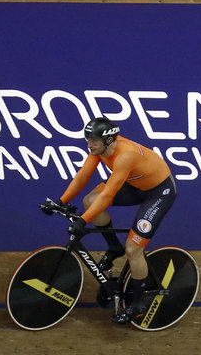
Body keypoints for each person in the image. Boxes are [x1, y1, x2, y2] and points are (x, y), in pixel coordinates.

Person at [43, 117, 176, 324]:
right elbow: (83, 176)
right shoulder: (99, 150)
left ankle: (139, 303)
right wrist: (61, 201)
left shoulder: (125, 155)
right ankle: (114, 248)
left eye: (94, 140)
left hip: (158, 193)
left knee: (133, 248)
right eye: (88, 139)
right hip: (135, 185)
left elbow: (108, 196)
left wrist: (83, 220)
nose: (89, 144)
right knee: (90, 200)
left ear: (109, 140)